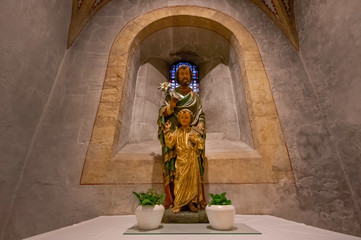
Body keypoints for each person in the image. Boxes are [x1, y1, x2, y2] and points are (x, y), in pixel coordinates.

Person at [157, 65, 206, 211]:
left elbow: (201, 114)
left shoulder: (195, 97)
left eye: (186, 73)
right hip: (175, 134)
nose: (184, 76)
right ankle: (176, 200)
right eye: (182, 74)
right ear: (177, 77)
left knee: (192, 173)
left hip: (191, 137)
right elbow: (162, 113)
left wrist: (201, 124)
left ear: (190, 76)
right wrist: (171, 106)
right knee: (176, 173)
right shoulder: (172, 94)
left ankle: (192, 201)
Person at [163, 109, 205, 213]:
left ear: (191, 119)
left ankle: (191, 203)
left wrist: (195, 140)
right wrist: (167, 131)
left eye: (186, 117)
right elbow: (170, 143)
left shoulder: (195, 131)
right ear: (179, 119)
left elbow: (201, 144)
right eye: (182, 117)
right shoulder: (177, 131)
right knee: (179, 181)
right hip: (181, 160)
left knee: (191, 182)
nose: (184, 119)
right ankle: (178, 204)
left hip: (192, 159)